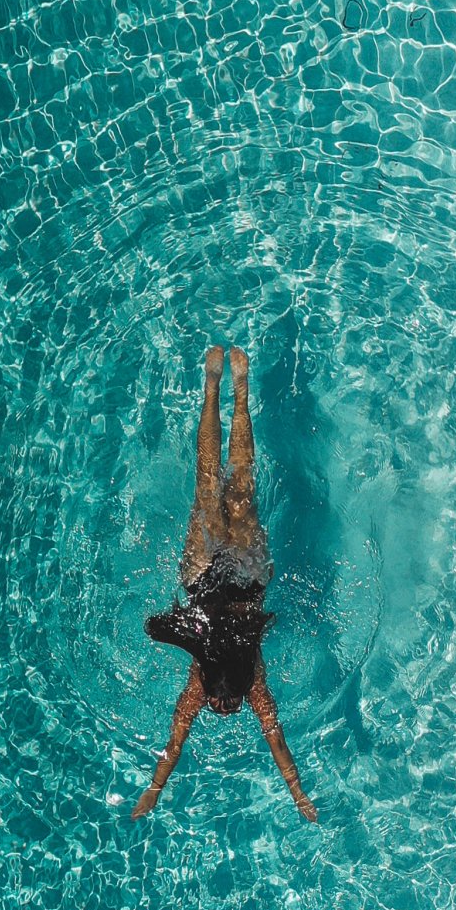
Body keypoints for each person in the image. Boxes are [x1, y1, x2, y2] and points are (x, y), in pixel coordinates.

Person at [133, 347, 317, 821]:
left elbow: (179, 744)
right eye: (228, 701)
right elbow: (274, 743)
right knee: (220, 482)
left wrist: (156, 788)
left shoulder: (231, 684)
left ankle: (226, 387)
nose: (223, 706)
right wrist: (296, 795)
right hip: (208, 577)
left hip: (245, 576)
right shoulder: (229, 685)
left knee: (227, 482)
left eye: (222, 702)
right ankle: (224, 387)